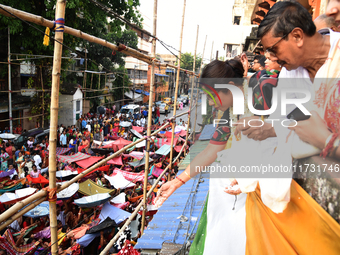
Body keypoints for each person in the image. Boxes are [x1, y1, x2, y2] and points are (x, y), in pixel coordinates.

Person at [232, 1, 340, 254]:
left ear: (297, 36)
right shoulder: (291, 74)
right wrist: (268, 129)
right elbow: (292, 123)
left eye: (273, 49)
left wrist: (326, 141)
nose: (271, 57)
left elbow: (307, 130)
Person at [155, 59, 249, 254]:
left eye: (213, 97)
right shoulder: (228, 114)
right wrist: (177, 182)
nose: (212, 103)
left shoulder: (261, 99)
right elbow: (210, 151)